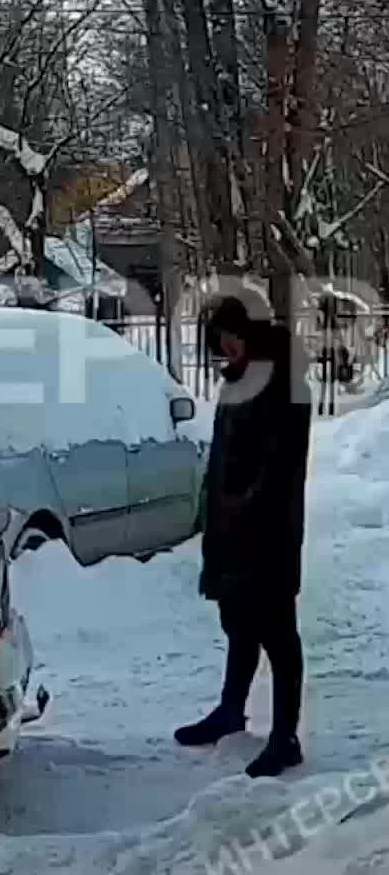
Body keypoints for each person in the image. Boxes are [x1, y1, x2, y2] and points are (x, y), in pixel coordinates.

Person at [175, 288, 312, 778]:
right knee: (239, 625)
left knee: (277, 632)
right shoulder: (238, 379)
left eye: (232, 337)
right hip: (231, 528)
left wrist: (247, 505)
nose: (226, 348)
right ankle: (231, 711)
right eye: (220, 340)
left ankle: (285, 737)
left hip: (267, 530)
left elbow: (282, 462)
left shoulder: (281, 380)